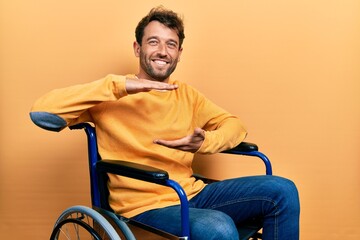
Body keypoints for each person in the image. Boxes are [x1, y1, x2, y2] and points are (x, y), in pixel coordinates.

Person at [30, 7, 300, 240]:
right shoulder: (109, 95)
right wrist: (120, 86)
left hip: (190, 193)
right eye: (154, 42)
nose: (162, 51)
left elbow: (234, 125)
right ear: (138, 47)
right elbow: (42, 112)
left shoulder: (187, 95)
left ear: (179, 53)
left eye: (171, 44)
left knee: (283, 190)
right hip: (143, 205)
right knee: (218, 227)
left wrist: (206, 142)